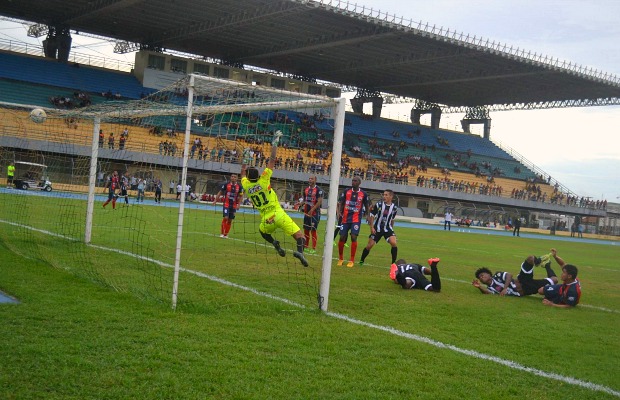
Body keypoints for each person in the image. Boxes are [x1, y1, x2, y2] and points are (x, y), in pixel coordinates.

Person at [240, 130, 308, 267]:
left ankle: (274, 242)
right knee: (300, 236)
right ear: (259, 175)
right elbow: (272, 160)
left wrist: (245, 158)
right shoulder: (264, 179)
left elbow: (242, 172)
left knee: (262, 231)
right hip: (279, 214)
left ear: (248, 177)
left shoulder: (246, 185)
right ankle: (300, 252)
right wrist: (275, 142)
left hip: (266, 219)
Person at [336, 176, 370, 267]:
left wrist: (368, 215)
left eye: (355, 181)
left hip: (356, 219)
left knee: (353, 237)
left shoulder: (363, 194)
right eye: (352, 181)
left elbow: (367, 205)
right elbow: (341, 202)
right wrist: (339, 212)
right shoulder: (346, 191)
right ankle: (340, 258)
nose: (353, 182)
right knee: (342, 237)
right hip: (345, 218)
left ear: (359, 183)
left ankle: (351, 260)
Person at [359, 189, 398, 265]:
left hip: (387, 229)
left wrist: (392, 229)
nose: (384, 196)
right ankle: (361, 261)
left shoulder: (394, 207)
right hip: (377, 228)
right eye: (384, 195)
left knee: (393, 242)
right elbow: (372, 216)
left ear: (391, 196)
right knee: (369, 245)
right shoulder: (379, 205)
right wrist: (372, 227)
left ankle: (393, 264)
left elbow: (392, 219)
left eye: (386, 195)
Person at [213, 173, 244, 238]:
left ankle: (226, 234)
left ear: (237, 178)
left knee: (230, 220)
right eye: (232, 176)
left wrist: (239, 205)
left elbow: (241, 196)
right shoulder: (226, 184)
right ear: (230, 177)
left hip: (234, 206)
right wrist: (215, 200)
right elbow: (220, 192)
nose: (233, 178)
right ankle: (222, 233)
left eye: (235, 177)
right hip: (226, 204)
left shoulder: (239, 187)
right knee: (226, 218)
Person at [302, 175, 324, 254]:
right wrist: (300, 203)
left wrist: (312, 209)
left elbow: (319, 201)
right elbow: (305, 200)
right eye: (309, 178)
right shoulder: (306, 189)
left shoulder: (319, 190)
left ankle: (314, 248)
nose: (310, 180)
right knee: (306, 230)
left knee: (313, 230)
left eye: (312, 179)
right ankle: (306, 246)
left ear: (315, 180)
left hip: (315, 214)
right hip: (306, 213)